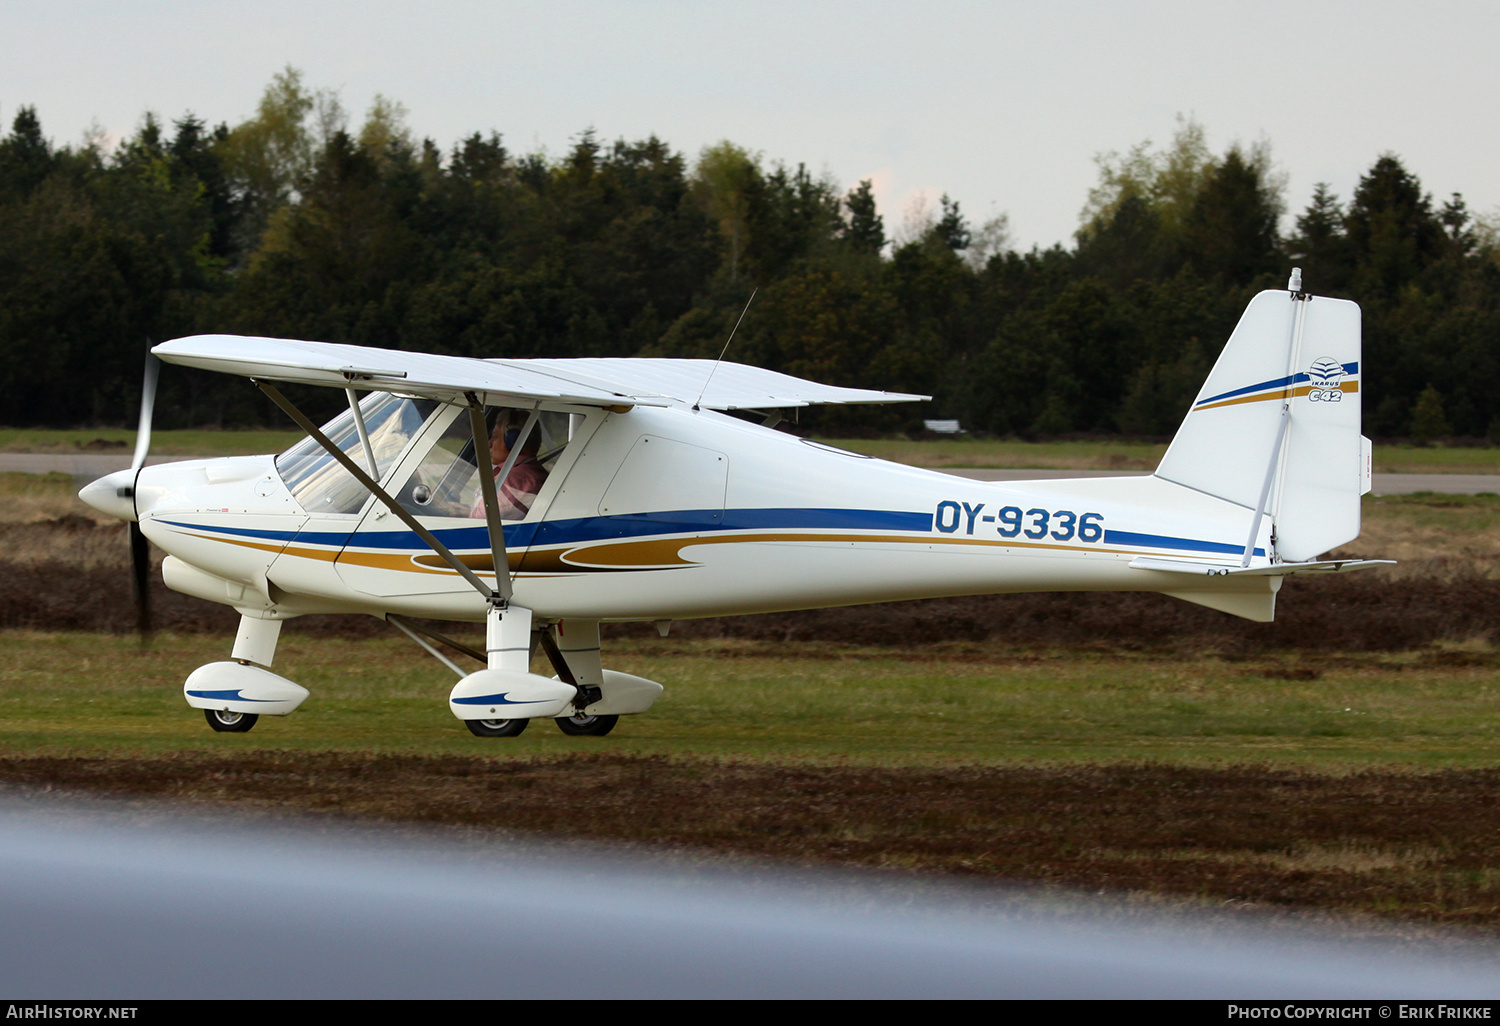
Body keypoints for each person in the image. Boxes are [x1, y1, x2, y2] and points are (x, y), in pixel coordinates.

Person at [470, 418, 548, 520]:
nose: (489, 443)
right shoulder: (529, 472)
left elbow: (480, 520)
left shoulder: (514, 480)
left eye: (495, 436)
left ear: (513, 440)